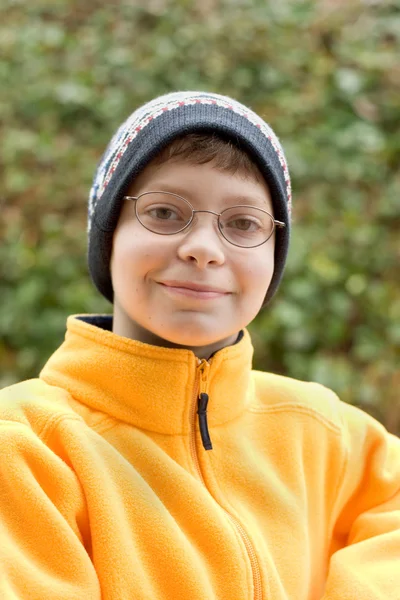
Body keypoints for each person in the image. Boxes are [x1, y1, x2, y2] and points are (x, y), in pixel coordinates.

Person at [0, 91, 399, 600]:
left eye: (242, 223)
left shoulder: (324, 431)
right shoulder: (28, 447)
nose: (204, 250)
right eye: (165, 212)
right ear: (109, 237)